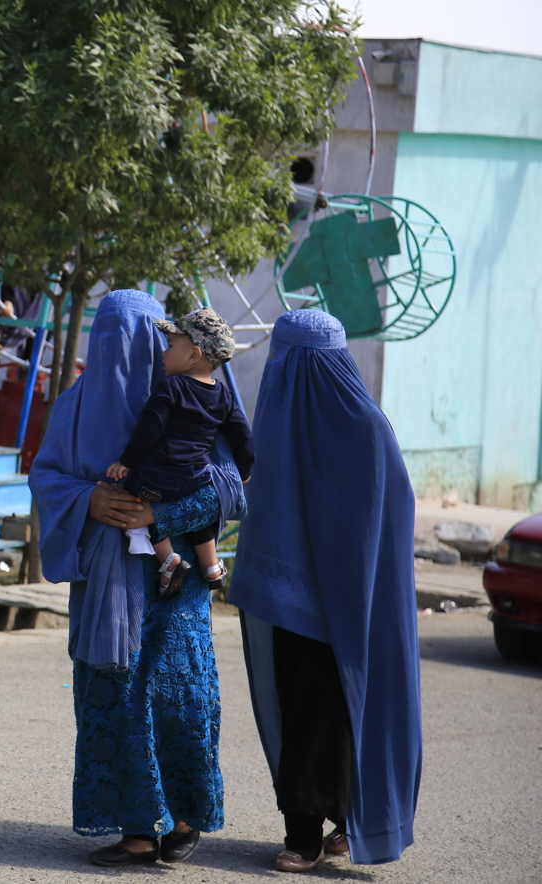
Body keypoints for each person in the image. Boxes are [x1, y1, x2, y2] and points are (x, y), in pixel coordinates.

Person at [28, 289, 246, 867]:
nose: (117, 355)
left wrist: (158, 515)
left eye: (132, 340)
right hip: (105, 587)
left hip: (174, 589)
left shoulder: (191, 402)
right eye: (105, 341)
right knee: (115, 698)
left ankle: (183, 820)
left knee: (179, 700)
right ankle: (136, 828)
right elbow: (45, 476)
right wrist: (88, 500)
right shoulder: (73, 406)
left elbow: (230, 488)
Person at [229, 310, 420, 872]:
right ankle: (315, 825)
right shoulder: (281, 421)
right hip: (288, 601)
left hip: (348, 608)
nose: (278, 370)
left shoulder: (367, 430)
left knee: (329, 714)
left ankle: (317, 833)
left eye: (285, 359)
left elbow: (389, 518)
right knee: (303, 711)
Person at [105, 307, 253, 597]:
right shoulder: (224, 394)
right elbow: (242, 435)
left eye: (170, 346)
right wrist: (244, 471)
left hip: (159, 476)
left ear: (193, 355)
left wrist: (126, 462)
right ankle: (211, 566)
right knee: (202, 520)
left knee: (134, 499)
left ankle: (169, 560)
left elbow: (149, 429)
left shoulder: (170, 387)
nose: (163, 352)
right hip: (198, 476)